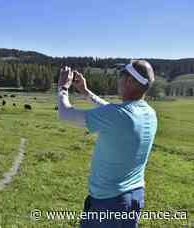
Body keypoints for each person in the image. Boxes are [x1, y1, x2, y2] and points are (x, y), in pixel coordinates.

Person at [57, 60, 158, 228]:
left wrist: (63, 87)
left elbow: (65, 114)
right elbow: (113, 110)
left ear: (130, 81)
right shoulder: (149, 113)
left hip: (108, 201)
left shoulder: (116, 115)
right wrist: (86, 91)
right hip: (135, 196)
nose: (118, 80)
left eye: (121, 76)